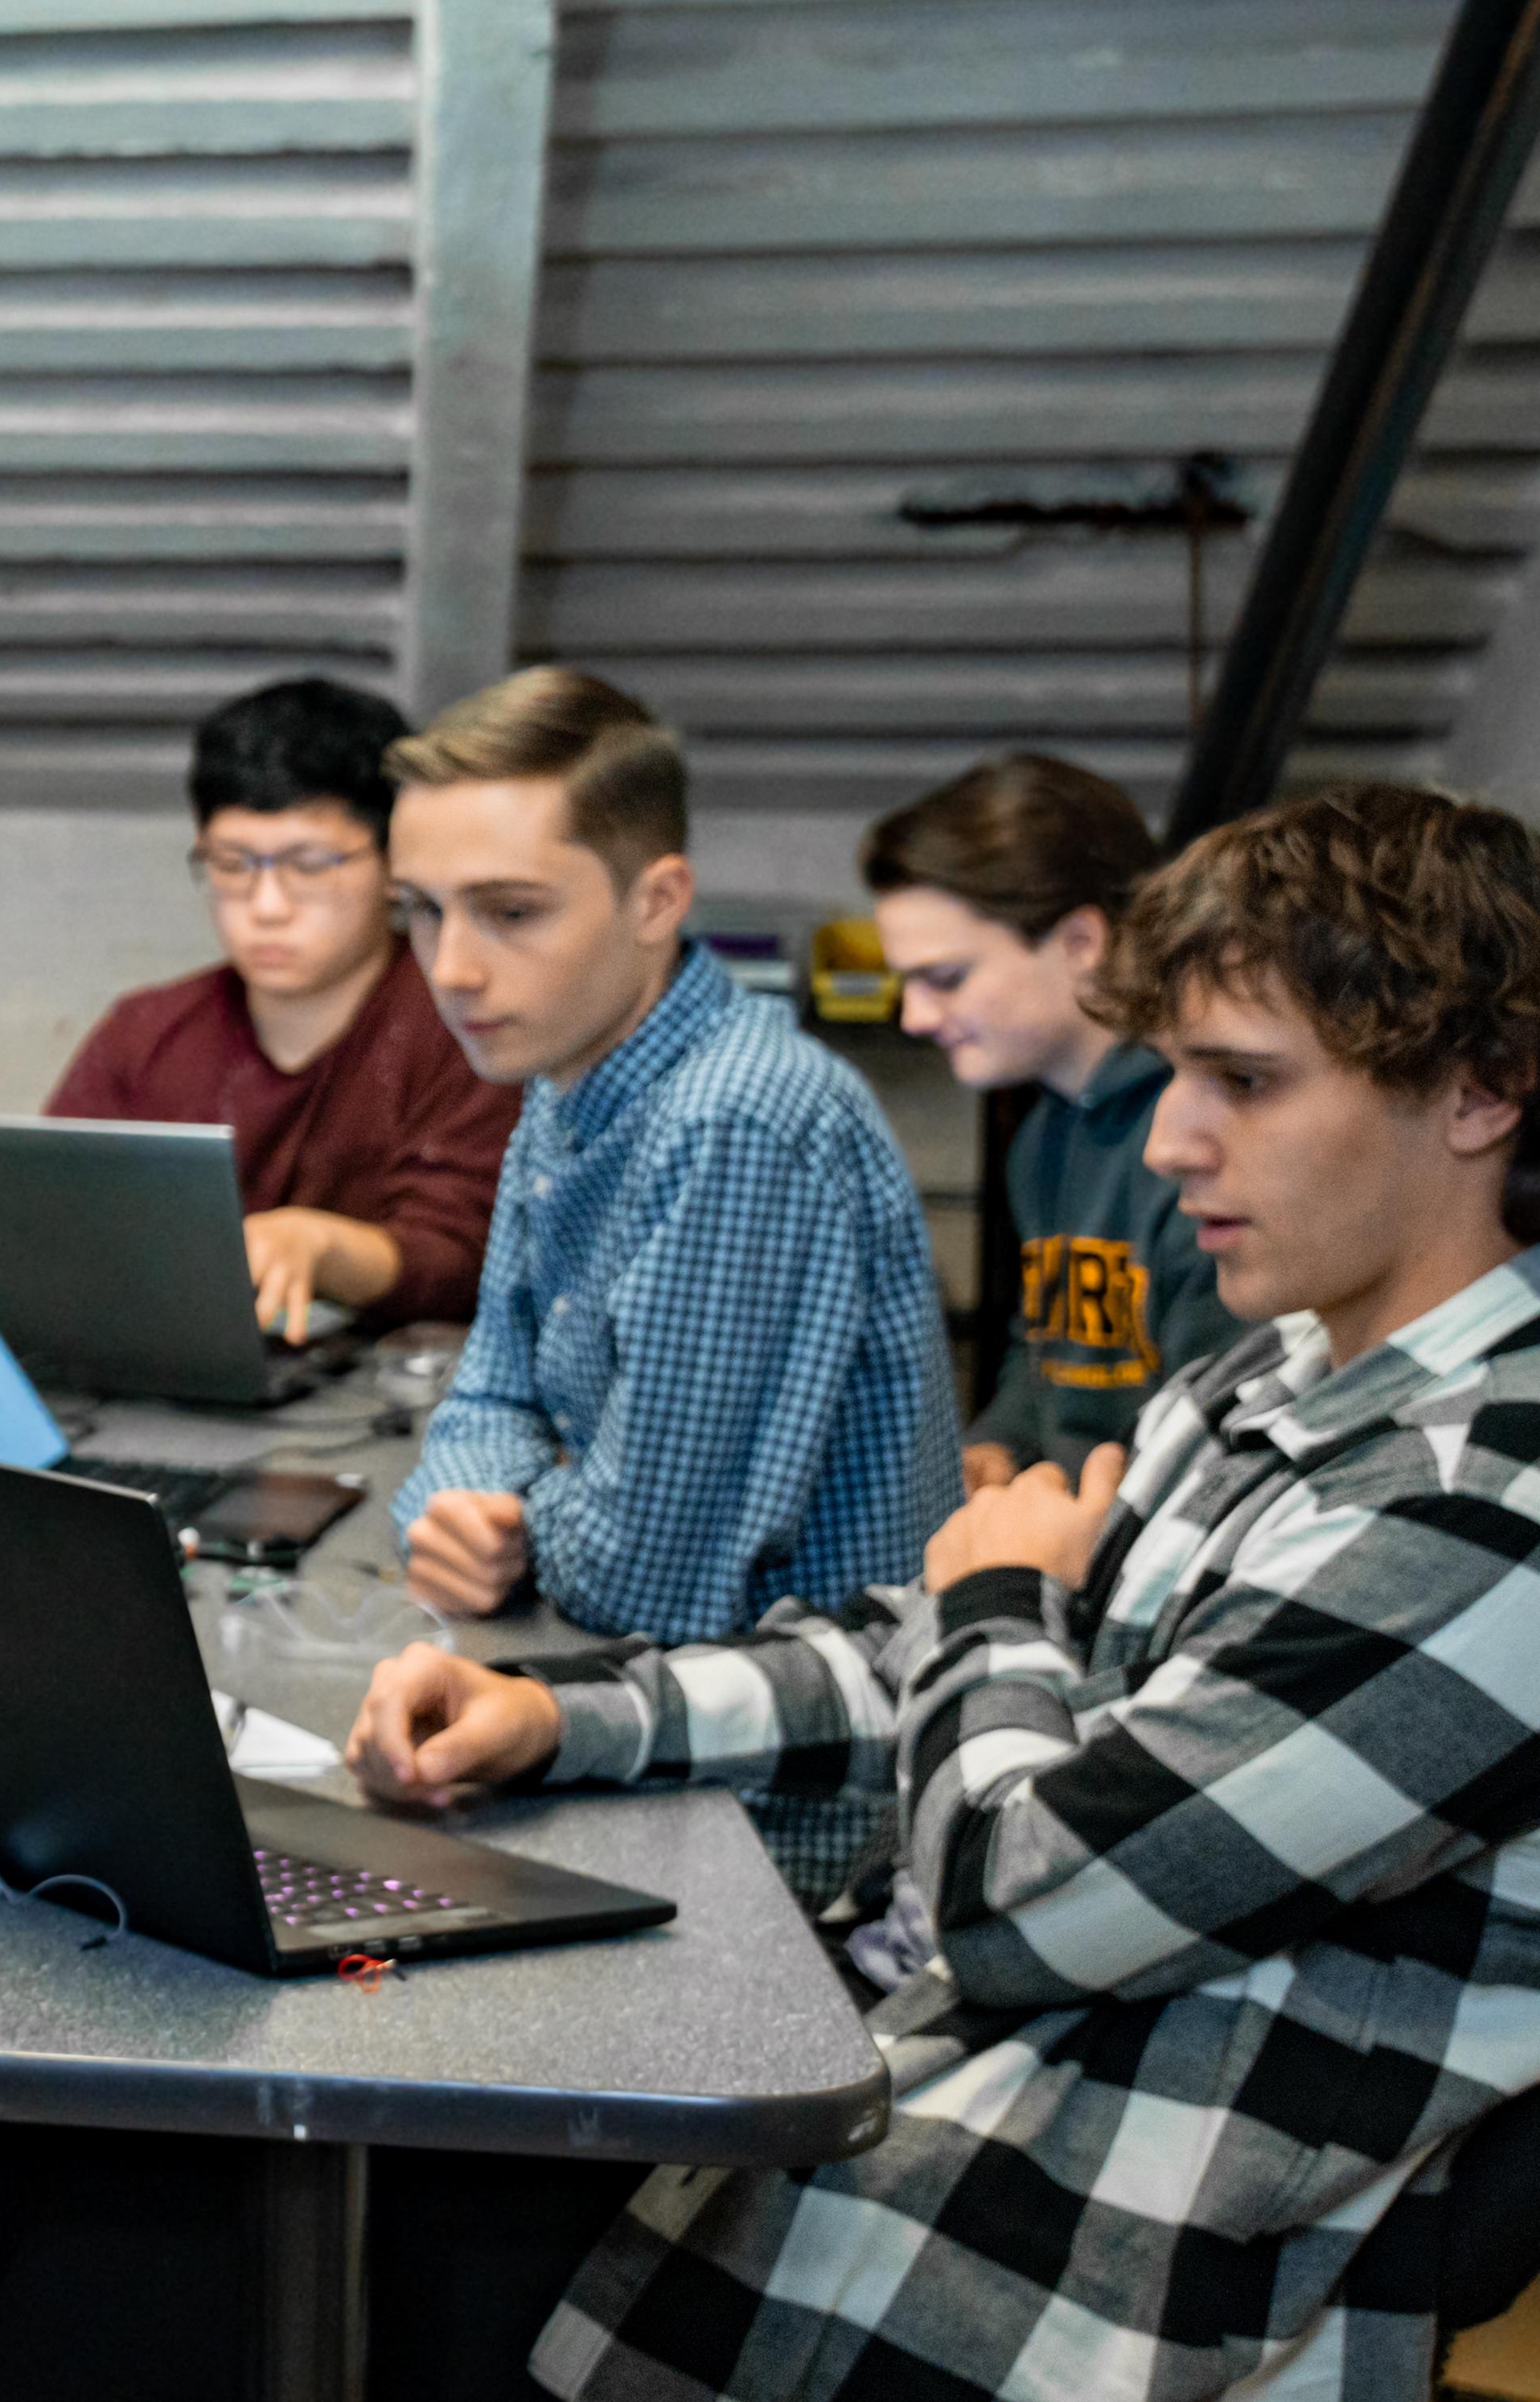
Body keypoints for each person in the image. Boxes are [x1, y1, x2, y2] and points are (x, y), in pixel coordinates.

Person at [345, 779, 1540, 2402]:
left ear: (1486, 1087)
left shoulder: (1492, 1503)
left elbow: (1024, 1898)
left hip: (1047, 2245)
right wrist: (564, 1713)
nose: (1175, 1137)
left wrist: (993, 1604)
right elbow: (929, 1646)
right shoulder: (1275, 1372)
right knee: (363, 2130)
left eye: (1244, 1080)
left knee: (324, 2226)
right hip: (931, 2072)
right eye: (1177, 1068)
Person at [376, 668, 949, 1901]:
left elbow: (644, 1576)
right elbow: (484, 1390)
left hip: (772, 1825)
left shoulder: (737, 1118)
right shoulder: (569, 1061)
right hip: (640, 1726)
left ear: (658, 898)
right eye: (420, 911)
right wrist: (477, 1496)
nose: (454, 968)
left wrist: (507, 1521)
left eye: (510, 910)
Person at [0, 674, 520, 1341]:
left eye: (309, 865)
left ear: (392, 861)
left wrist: (326, 1248)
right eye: (232, 864)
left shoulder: (460, 1024)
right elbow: (36, 1216)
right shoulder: (149, 1031)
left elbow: (466, 1257)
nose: (266, 905)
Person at [862, 751, 1242, 1491]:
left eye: (945, 978)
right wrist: (997, 1445)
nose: (915, 1016)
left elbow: (1218, 1429)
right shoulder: (1039, 1140)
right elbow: (1041, 1353)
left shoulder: (1204, 1137)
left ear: (1080, 942)